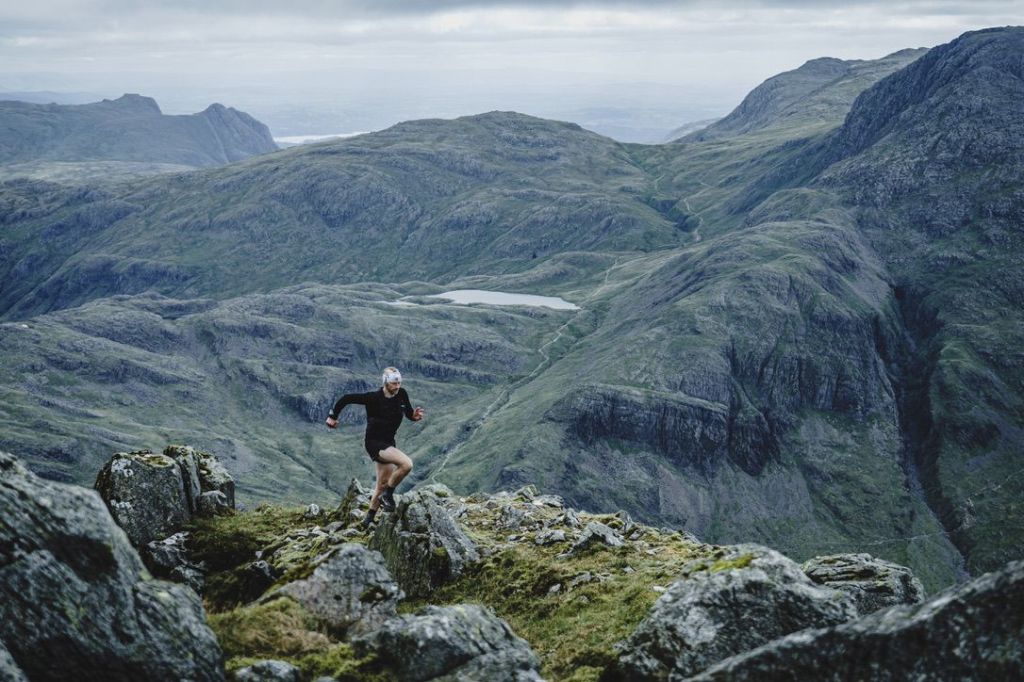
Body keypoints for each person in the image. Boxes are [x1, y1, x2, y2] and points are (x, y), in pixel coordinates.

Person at [325, 366, 424, 529]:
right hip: (374, 443)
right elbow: (346, 398)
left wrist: (414, 416)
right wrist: (333, 416)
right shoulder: (373, 398)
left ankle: (368, 520)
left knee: (382, 483)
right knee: (407, 464)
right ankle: (388, 496)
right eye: (393, 383)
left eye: (399, 383)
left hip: (389, 442)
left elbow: (408, 412)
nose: (397, 386)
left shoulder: (402, 394)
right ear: (385, 382)